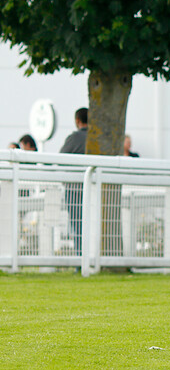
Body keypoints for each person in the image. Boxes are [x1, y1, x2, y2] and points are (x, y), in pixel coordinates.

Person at [60, 107, 87, 257]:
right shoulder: (98, 138)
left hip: (75, 189)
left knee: (78, 225)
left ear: (77, 120)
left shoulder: (74, 138)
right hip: (95, 189)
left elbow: (60, 159)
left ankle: (80, 260)